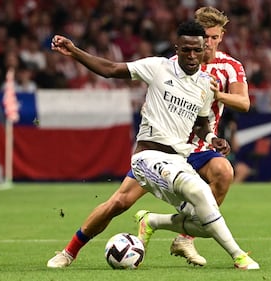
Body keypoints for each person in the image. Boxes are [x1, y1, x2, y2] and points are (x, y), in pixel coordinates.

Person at [48, 20, 259, 270]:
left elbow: (202, 125)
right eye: (186, 50)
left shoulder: (205, 83)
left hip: (180, 158)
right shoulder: (157, 67)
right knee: (123, 203)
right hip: (149, 157)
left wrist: (213, 139)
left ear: (204, 50)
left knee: (203, 219)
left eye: (197, 50)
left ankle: (153, 222)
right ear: (176, 48)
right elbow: (111, 69)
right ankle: (68, 253)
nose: (192, 56)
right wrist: (75, 51)